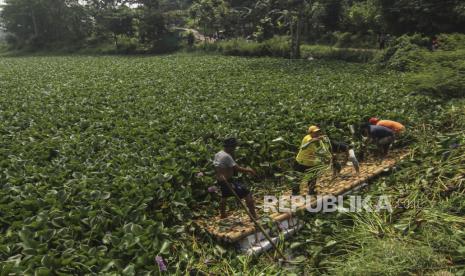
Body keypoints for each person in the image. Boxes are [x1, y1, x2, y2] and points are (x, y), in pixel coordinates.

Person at [213, 138, 258, 220]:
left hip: (220, 180)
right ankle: (254, 217)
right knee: (247, 193)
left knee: (224, 196)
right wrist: (250, 170)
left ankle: (223, 215)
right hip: (227, 181)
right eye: (234, 147)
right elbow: (237, 168)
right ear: (230, 147)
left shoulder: (218, 154)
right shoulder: (227, 156)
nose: (235, 149)